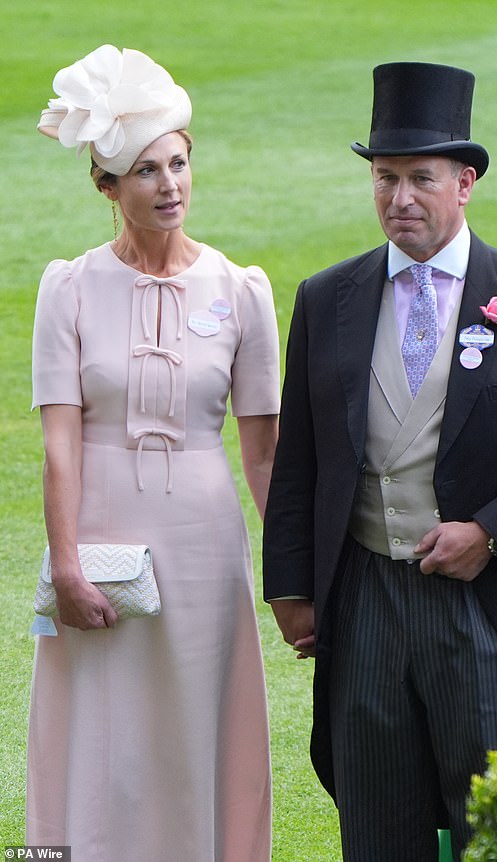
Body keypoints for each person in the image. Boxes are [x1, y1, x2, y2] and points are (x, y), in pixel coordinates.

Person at [262, 61, 497, 861]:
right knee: (379, 825)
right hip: (364, 606)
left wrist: (489, 532)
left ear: (466, 183)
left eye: (421, 178)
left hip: (484, 608)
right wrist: (290, 585)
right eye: (385, 178)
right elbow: (302, 460)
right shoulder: (328, 298)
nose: (400, 199)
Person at [28, 45, 279, 861]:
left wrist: (298, 577)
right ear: (106, 186)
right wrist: (66, 564)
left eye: (178, 163)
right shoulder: (66, 287)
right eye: (145, 171)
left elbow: (265, 454)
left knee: (199, 718)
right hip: (100, 532)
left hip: (206, 540)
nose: (169, 184)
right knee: (103, 731)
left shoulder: (243, 291)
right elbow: (59, 444)